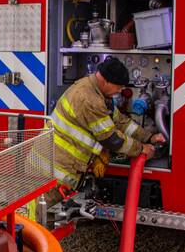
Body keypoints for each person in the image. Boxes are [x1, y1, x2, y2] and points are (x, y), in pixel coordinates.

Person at [51, 57, 166, 190]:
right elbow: (111, 139)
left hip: (63, 169)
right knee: (35, 209)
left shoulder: (99, 93)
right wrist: (141, 149)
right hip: (54, 173)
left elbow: (120, 122)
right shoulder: (89, 99)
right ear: (106, 81)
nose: (121, 91)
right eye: (119, 86)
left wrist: (148, 137)